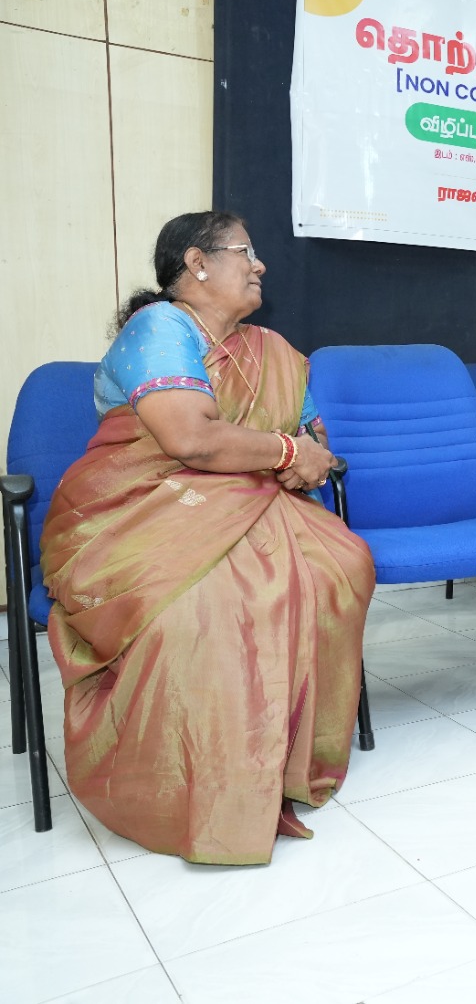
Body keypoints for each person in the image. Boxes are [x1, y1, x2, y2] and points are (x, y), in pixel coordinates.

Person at [40, 211, 375, 865]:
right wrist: (285, 450)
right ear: (196, 264)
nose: (260, 265)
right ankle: (194, 783)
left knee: (340, 561)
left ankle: (279, 761)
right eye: (245, 252)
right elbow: (190, 439)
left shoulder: (270, 350)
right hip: (137, 519)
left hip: (245, 501)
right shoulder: (160, 326)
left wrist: (302, 454)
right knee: (209, 604)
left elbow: (314, 442)